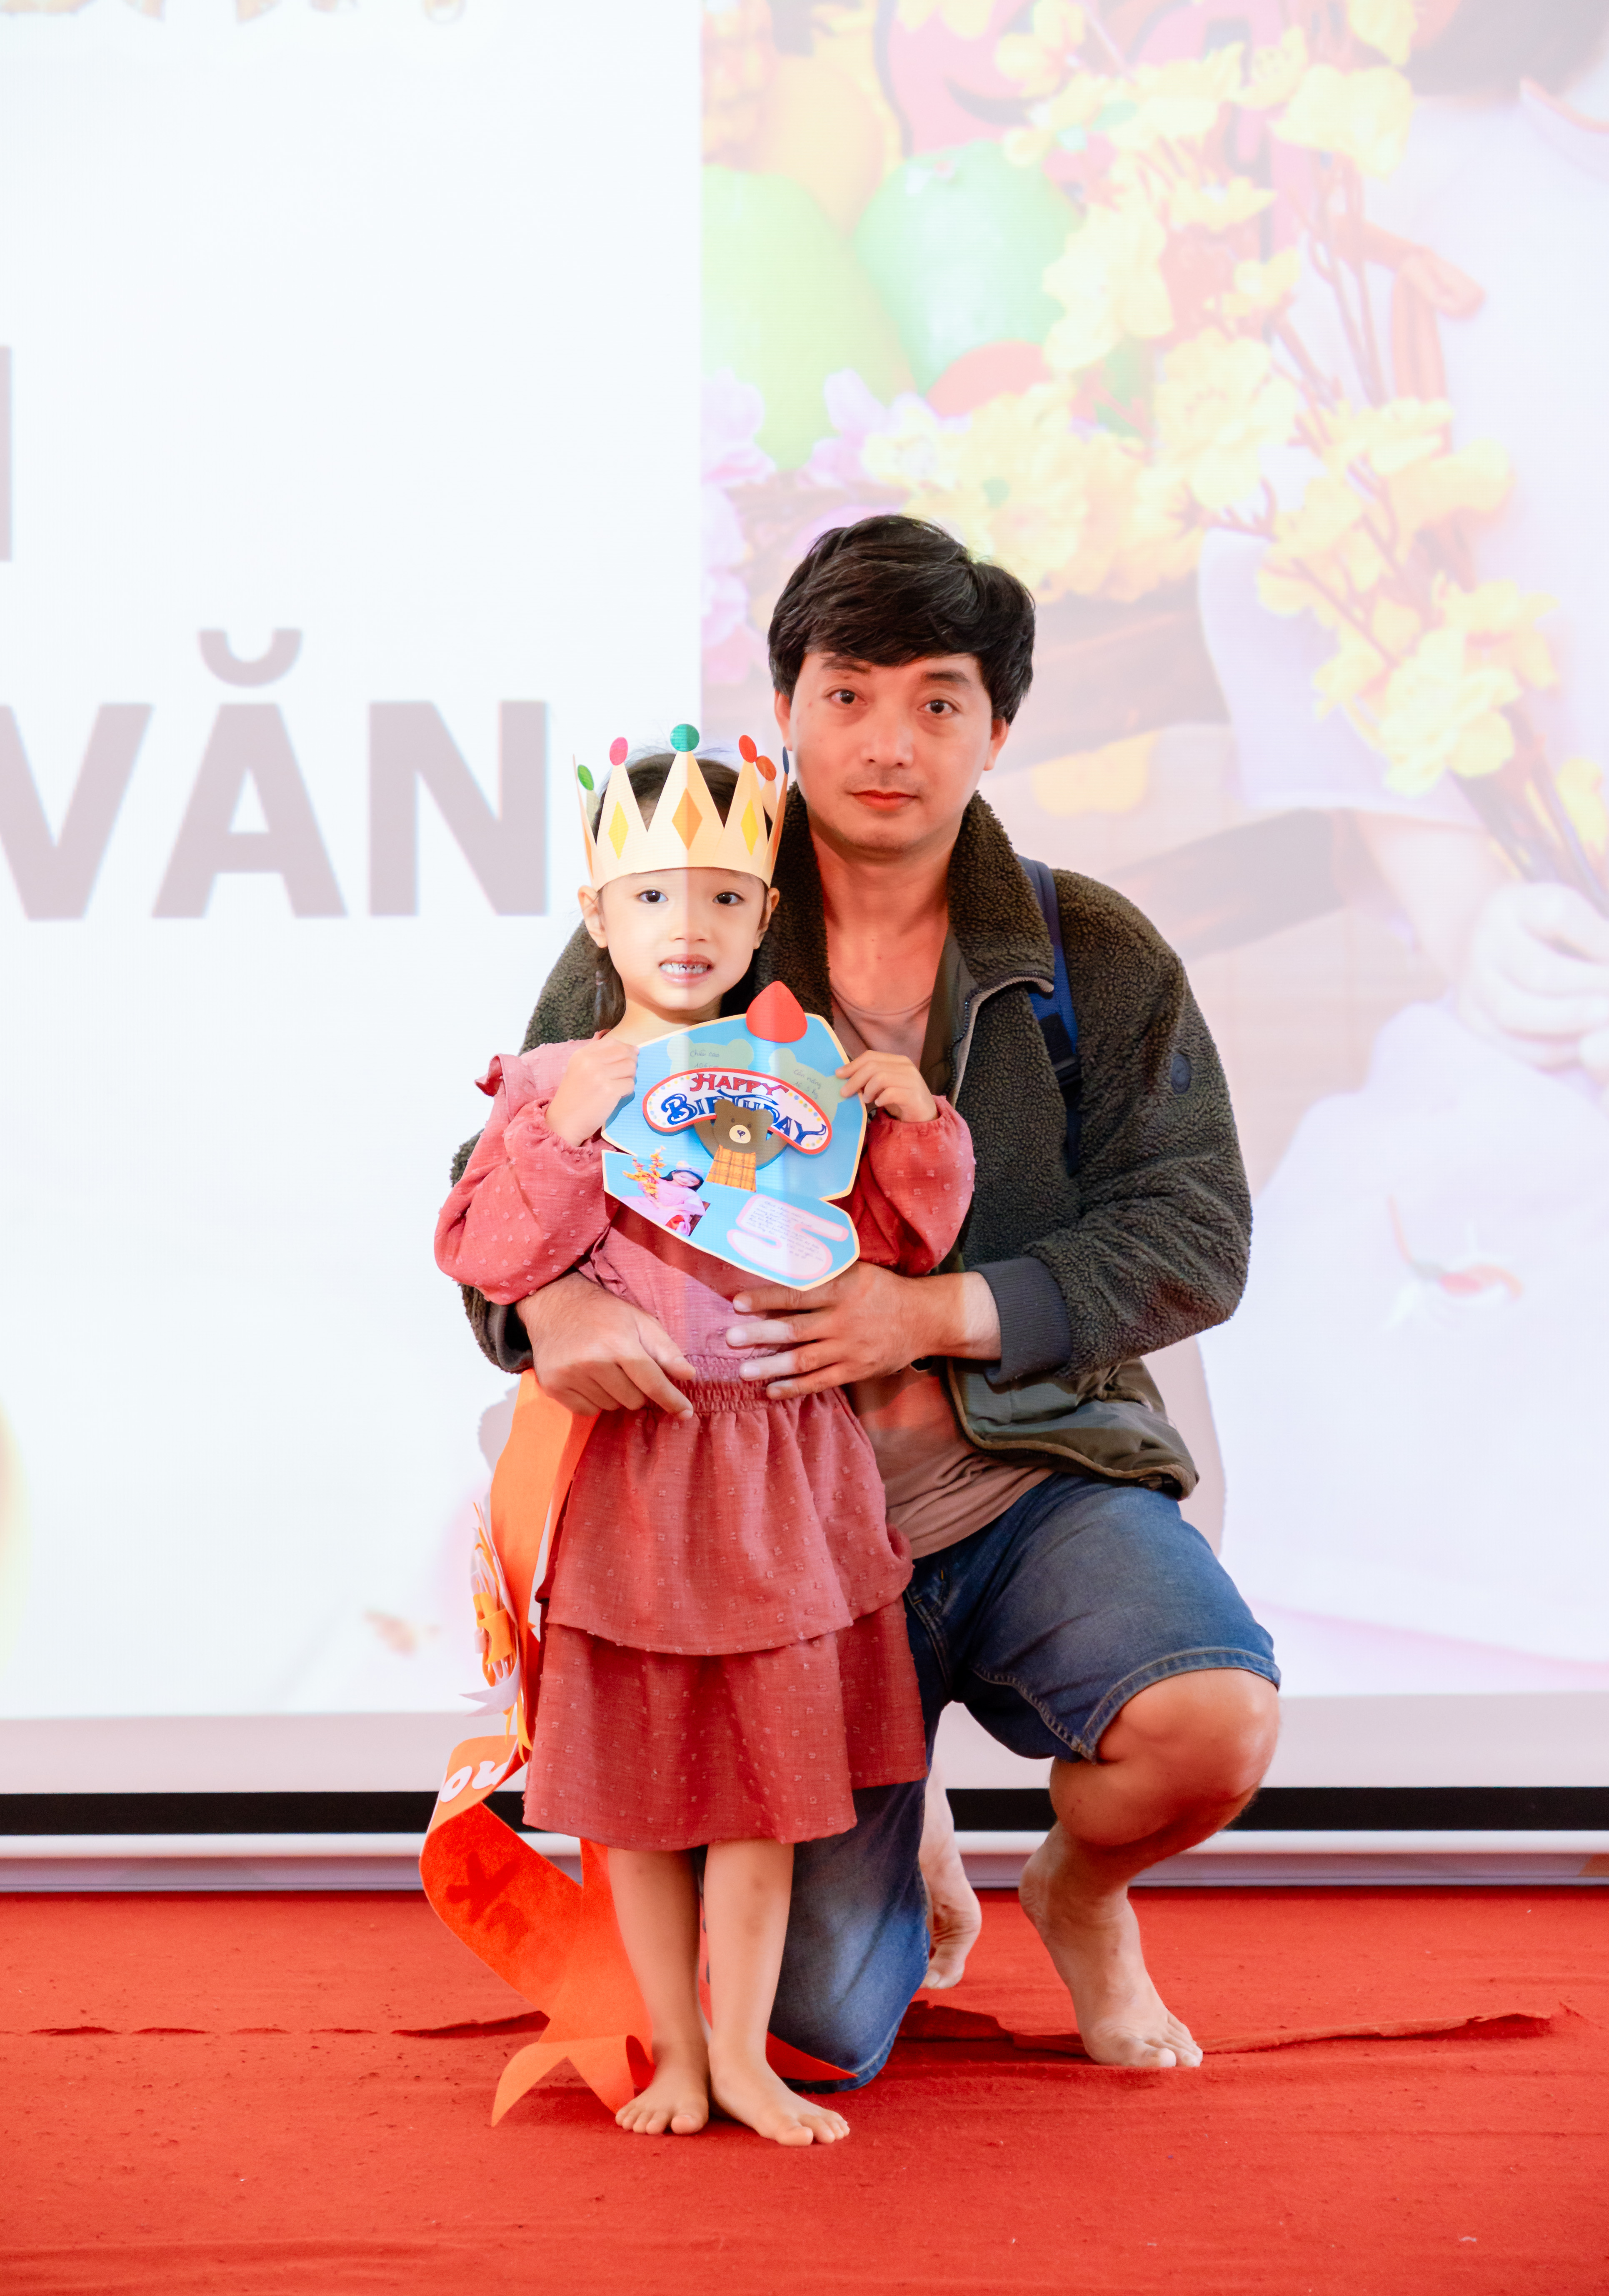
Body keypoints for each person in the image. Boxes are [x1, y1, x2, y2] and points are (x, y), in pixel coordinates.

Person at [451, 515, 1281, 2084]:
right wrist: (549, 1312)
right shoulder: (684, 906)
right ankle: (906, 1825)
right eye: (848, 694)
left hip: (1023, 1478)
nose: (889, 742)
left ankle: (1082, 1895)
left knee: (1211, 1720)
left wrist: (935, 1311)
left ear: (999, 727)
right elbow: (508, 1163)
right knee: (812, 2032)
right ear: (786, 711)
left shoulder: (1087, 948)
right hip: (764, 1533)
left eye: (938, 699)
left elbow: (1197, 1226)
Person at [1196, 0, 1609, 1692]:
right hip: (1559, 1036)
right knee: (1430, 1325)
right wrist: (1478, 917)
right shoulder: (1409, 211)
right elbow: (1329, 603)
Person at [436, 735, 975, 2144]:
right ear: (597, 913)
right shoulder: (551, 1077)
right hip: (628, 1474)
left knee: (762, 1787)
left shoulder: (806, 1068)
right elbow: (487, 1248)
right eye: (654, 896)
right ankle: (674, 2050)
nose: (691, 925)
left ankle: (742, 2054)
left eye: (726, 898)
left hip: (778, 1469)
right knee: (638, 1792)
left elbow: (898, 1237)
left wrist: (913, 1123)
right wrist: (564, 1127)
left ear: (763, 914)